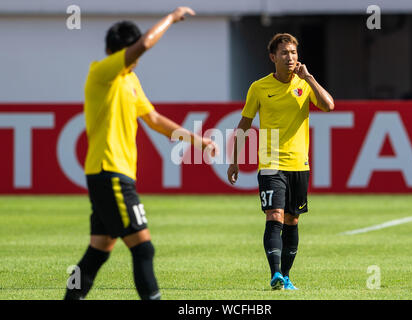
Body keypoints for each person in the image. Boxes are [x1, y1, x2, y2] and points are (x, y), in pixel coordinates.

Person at [64, 7, 217, 300]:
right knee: (144, 248)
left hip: (113, 174)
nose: (135, 60)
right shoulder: (102, 71)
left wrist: (197, 140)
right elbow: (144, 44)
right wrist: (171, 18)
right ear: (115, 51)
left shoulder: (130, 81)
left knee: (98, 250)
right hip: (109, 172)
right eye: (129, 54)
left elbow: (155, 120)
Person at [227, 33, 334, 290]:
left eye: (294, 53)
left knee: (292, 220)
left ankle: (286, 277)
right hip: (271, 164)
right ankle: (275, 274)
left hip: (299, 164)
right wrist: (234, 160)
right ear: (273, 57)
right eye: (285, 53)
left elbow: (329, 106)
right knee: (273, 215)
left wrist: (309, 77)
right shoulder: (259, 87)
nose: (290, 57)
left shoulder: (304, 84)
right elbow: (244, 124)